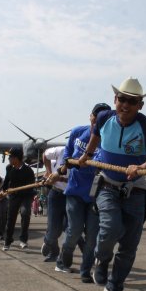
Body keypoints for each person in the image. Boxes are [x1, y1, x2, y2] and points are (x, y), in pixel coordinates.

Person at [77, 77, 146, 291]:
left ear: (140, 105)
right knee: (110, 227)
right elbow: (95, 137)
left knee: (130, 243)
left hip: (135, 188)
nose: (125, 105)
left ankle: (115, 285)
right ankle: (102, 259)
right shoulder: (105, 117)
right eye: (122, 99)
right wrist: (86, 155)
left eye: (132, 101)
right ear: (115, 99)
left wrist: (142, 166)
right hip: (107, 184)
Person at [54, 102, 111, 280]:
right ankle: (64, 258)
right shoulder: (78, 132)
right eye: (96, 116)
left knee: (93, 236)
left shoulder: (109, 142)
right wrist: (65, 165)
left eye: (104, 118)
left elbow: (105, 164)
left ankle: (86, 271)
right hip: (75, 192)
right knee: (75, 229)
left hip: (96, 194)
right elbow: (68, 152)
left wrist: (87, 161)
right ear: (91, 117)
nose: (99, 121)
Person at [2, 147, 36, 251]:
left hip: (26, 196)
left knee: (25, 213)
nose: (9, 159)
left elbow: (31, 186)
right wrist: (6, 190)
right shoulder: (9, 168)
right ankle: (8, 241)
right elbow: (6, 182)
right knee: (10, 218)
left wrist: (17, 190)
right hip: (13, 197)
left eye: (10, 157)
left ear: (16, 158)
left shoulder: (28, 170)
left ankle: (23, 240)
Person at [41, 146, 67, 262]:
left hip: (73, 196)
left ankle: (66, 258)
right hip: (56, 194)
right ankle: (52, 248)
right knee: (53, 230)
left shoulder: (87, 157)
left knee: (71, 229)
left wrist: (60, 179)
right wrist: (48, 172)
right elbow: (45, 155)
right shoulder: (61, 151)